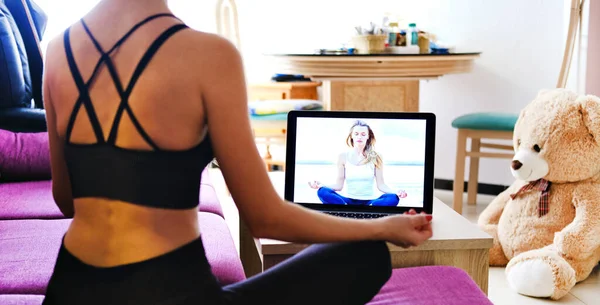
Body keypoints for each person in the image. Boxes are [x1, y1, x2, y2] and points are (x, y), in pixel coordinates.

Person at [40, 0, 433, 304]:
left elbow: (66, 200)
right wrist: (384, 227)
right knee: (367, 254)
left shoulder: (58, 50)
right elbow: (265, 219)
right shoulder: (208, 55)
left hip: (71, 287)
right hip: (170, 292)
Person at [308, 120, 408, 206]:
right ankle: (345, 207)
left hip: (370, 202)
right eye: (356, 134)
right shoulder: (343, 157)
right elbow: (338, 185)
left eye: (363, 134)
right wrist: (321, 185)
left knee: (392, 198)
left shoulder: (376, 157)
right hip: (346, 200)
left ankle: (371, 208)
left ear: (368, 136)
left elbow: (381, 185)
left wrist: (397, 192)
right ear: (352, 136)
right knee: (323, 192)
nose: (359, 137)